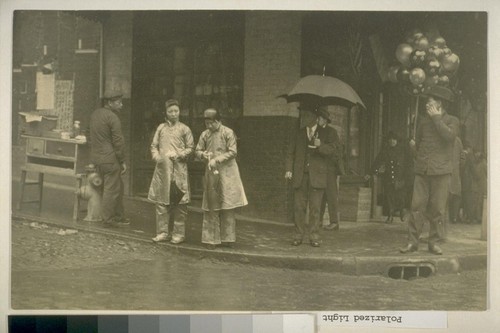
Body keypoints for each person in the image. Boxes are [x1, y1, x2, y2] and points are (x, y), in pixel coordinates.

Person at [399, 85, 459, 255]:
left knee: (438, 210)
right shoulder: (423, 122)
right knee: (416, 207)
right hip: (422, 171)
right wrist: (413, 149)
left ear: (440, 103)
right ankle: (412, 242)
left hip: (441, 172)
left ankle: (434, 242)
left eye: (431, 100)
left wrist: (437, 119)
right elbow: (418, 145)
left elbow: (449, 137)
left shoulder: (452, 121)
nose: (427, 103)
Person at [195, 108, 248, 249]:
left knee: (228, 205)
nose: (209, 126)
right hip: (212, 173)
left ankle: (228, 238)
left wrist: (217, 159)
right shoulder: (204, 134)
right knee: (211, 205)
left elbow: (233, 152)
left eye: (211, 123)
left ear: (218, 121)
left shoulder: (228, 133)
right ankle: (211, 239)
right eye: (207, 123)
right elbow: (197, 150)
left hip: (228, 173)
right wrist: (203, 155)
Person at [285, 106, 337, 247]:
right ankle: (298, 235)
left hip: (317, 177)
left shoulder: (327, 133)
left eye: (306, 116)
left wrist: (320, 146)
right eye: (302, 116)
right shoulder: (298, 133)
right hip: (300, 176)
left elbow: (333, 151)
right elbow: (290, 153)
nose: (303, 119)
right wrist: (289, 169)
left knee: (315, 209)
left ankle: (314, 237)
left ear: (314, 117)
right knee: (298, 207)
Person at [148, 99, 194, 244]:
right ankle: (162, 233)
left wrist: (180, 154)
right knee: (162, 202)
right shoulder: (161, 128)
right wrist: (157, 157)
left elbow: (190, 148)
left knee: (180, 202)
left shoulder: (185, 129)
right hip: (163, 170)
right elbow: (154, 145)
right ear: (166, 113)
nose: (173, 114)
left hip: (179, 170)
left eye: (176, 111)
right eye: (170, 111)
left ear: (179, 112)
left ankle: (178, 234)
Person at [89, 90, 128, 227]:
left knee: (116, 186)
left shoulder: (95, 114)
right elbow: (118, 142)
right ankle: (108, 219)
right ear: (110, 103)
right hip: (110, 159)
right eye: (119, 102)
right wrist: (122, 161)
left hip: (96, 158)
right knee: (111, 189)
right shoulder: (113, 118)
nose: (121, 105)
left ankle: (119, 216)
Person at [369, 131, 411, 224]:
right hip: (388, 178)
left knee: (400, 197)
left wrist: (406, 178)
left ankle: (401, 211)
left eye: (394, 139)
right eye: (390, 139)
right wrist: (372, 172)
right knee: (389, 197)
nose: (392, 141)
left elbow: (408, 165)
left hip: (400, 178)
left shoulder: (403, 150)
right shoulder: (385, 150)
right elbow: (377, 161)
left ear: (397, 140)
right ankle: (390, 216)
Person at [317, 107, 343, 231]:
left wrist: (320, 146)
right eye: (318, 118)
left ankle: (334, 222)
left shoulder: (332, 132)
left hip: (329, 169)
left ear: (325, 120)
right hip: (319, 169)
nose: (318, 120)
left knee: (331, 195)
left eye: (320, 118)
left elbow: (333, 149)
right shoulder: (316, 131)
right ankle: (319, 220)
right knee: (320, 195)